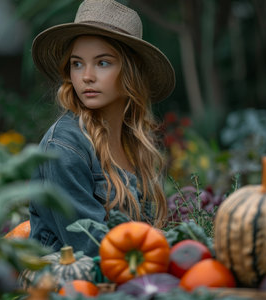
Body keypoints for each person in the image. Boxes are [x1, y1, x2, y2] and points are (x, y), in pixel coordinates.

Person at [29, 0, 175, 257]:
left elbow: (148, 234)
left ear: (131, 72)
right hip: (66, 287)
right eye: (77, 63)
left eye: (102, 63)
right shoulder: (63, 146)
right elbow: (90, 249)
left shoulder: (135, 144)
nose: (86, 76)